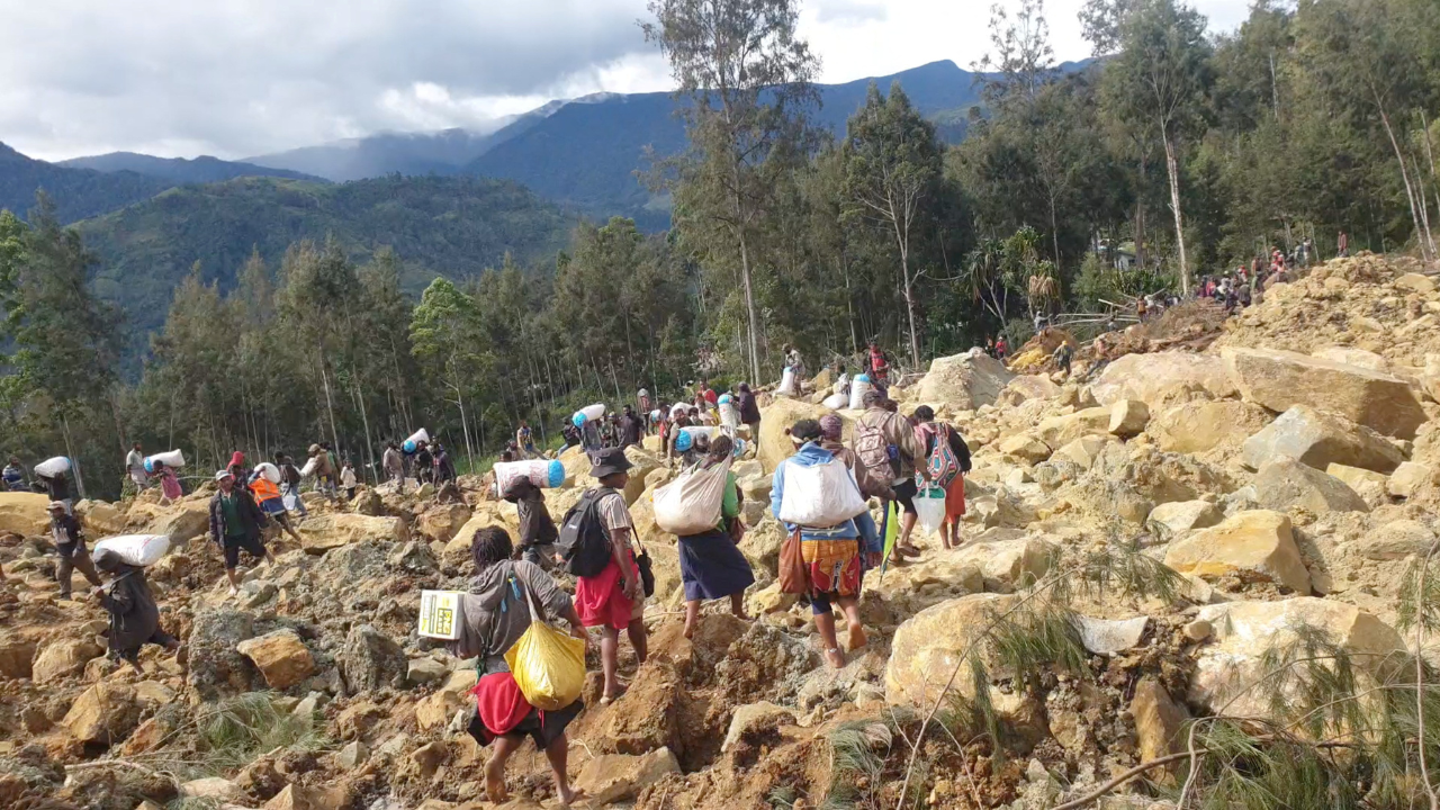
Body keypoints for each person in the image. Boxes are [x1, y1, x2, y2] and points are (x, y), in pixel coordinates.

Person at [449, 527, 587, 806]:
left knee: (518, 726)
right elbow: (557, 601)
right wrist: (577, 623)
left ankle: (497, 761)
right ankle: (563, 790)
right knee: (554, 728)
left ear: (477, 559)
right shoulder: (523, 569)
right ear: (507, 548)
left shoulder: (469, 595)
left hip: (495, 682)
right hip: (535, 670)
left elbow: (469, 650)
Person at [772, 420, 877, 669]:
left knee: (818, 597)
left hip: (810, 544)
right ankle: (853, 619)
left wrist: (794, 529)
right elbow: (857, 507)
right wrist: (872, 543)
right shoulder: (838, 465)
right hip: (845, 539)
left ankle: (833, 652)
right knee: (845, 589)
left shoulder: (785, 468)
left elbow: (779, 508)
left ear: (794, 442)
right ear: (822, 439)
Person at [574, 448, 648, 704]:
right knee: (635, 620)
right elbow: (618, 540)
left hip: (596, 574)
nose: (627, 476)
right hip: (617, 571)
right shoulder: (613, 501)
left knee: (610, 627)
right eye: (623, 472)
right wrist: (629, 577)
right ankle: (645, 667)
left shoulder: (589, 496)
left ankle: (609, 686)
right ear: (613, 474)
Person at [676, 436, 754, 639]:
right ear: (730, 455)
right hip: (709, 532)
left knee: (693, 576)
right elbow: (729, 507)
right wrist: (735, 517)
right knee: (740, 569)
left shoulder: (695, 467)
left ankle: (689, 624)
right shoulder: (724, 475)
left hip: (685, 532)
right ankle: (738, 612)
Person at [854, 390, 928, 560]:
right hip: (899, 473)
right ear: (880, 402)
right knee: (910, 505)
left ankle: (893, 552)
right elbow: (914, 449)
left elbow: (853, 455)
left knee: (889, 511)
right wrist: (925, 472)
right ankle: (904, 539)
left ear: (865, 405)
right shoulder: (895, 419)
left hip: (875, 477)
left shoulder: (858, 425)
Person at [90, 547, 180, 676]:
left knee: (124, 650)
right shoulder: (134, 571)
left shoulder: (122, 583)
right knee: (161, 637)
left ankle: (140, 672)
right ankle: (185, 648)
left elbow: (121, 607)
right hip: (149, 614)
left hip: (136, 623)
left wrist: (102, 598)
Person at [912, 406, 972, 550]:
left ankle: (945, 543)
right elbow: (961, 447)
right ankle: (955, 537)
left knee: (938, 506)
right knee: (956, 505)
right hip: (951, 471)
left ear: (918, 418)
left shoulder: (917, 431)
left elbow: (915, 454)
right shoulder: (945, 427)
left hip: (930, 475)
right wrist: (965, 465)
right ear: (933, 416)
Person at [209, 469, 275, 596]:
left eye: (227, 479)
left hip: (245, 531)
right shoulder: (215, 500)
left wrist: (264, 525)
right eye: (222, 480)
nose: (226, 482)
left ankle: (268, 554)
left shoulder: (242, 494)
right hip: (228, 535)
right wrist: (215, 538)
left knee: (256, 550)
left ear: (231, 479)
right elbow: (213, 520)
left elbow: (255, 510)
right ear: (218, 483)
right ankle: (233, 586)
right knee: (230, 561)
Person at [502, 474, 559, 568]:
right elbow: (508, 495)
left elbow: (531, 527)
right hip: (531, 542)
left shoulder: (532, 503)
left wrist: (520, 548)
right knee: (527, 568)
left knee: (560, 563)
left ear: (523, 490)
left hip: (545, 540)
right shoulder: (521, 498)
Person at [50, 501, 102, 600]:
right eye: (51, 511)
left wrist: (78, 548)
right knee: (61, 573)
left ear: (61, 510)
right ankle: (65, 595)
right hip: (63, 552)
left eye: (54, 511)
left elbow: (80, 536)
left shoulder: (72, 521)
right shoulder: (52, 522)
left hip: (76, 552)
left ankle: (100, 587)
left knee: (89, 572)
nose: (52, 513)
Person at [250, 467, 303, 544]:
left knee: (273, 528)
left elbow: (249, 481)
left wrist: (257, 471)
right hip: (279, 508)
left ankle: (280, 543)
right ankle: (298, 539)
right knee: (286, 525)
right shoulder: (272, 482)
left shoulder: (260, 482)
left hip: (268, 509)